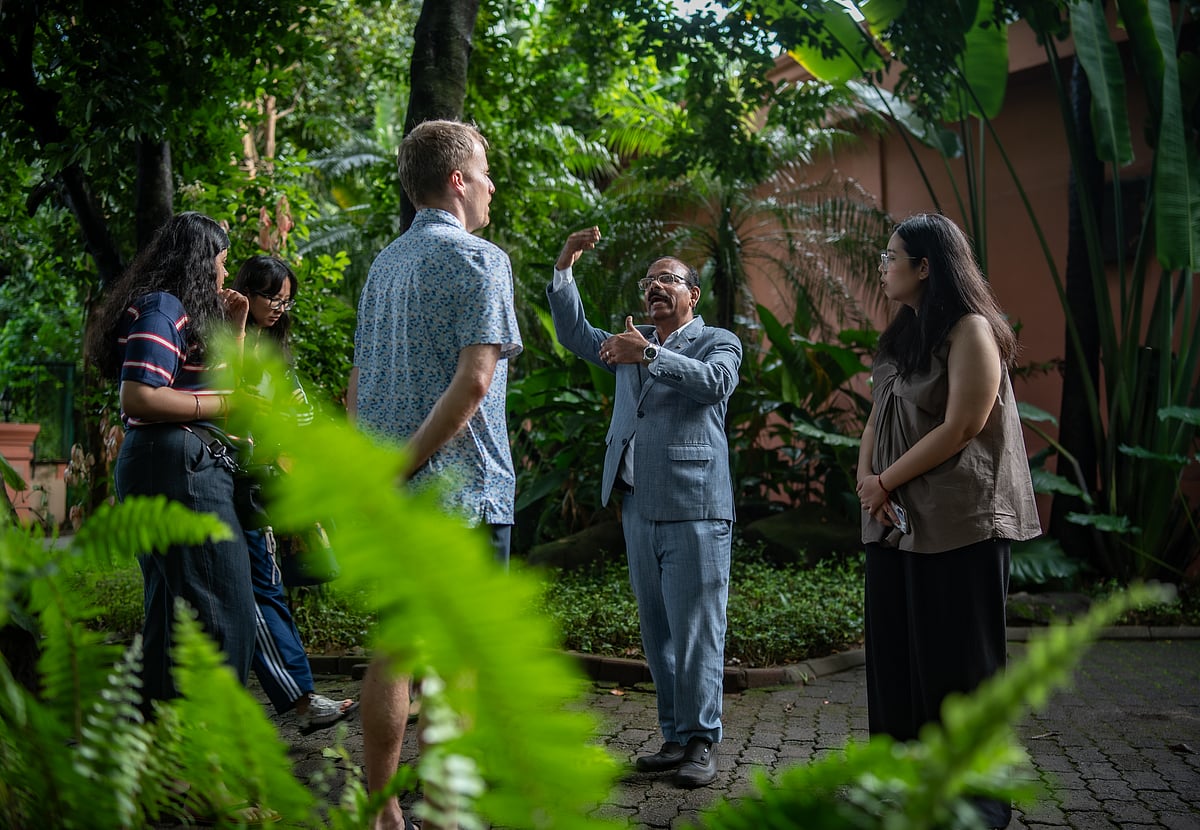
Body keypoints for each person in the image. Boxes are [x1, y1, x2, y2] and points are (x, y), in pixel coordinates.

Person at [349, 119, 521, 830]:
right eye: (483, 171)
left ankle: (382, 811)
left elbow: (358, 382)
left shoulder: (383, 265)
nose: (489, 185)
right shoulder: (481, 261)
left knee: (393, 652)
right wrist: (407, 462)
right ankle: (449, 810)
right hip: (465, 496)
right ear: (456, 180)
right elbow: (475, 382)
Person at [855, 213, 1041, 829]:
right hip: (894, 523)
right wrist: (868, 481)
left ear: (925, 266)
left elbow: (961, 426)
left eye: (891, 257)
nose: (884, 267)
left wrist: (886, 481)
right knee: (896, 662)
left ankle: (974, 802)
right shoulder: (901, 336)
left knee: (959, 664)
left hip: (958, 523)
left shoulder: (972, 330)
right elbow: (877, 417)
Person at [547, 227, 742, 789]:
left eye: (669, 279)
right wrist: (564, 270)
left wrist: (650, 353)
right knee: (657, 631)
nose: (656, 286)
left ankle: (703, 741)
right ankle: (676, 737)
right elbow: (576, 335)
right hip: (636, 507)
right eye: (650, 280)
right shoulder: (627, 343)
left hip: (695, 508)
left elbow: (715, 385)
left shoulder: (717, 340)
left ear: (692, 295)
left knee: (698, 629)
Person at [88, 211, 256, 711]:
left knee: (172, 614)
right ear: (198, 263)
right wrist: (217, 408)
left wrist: (238, 331)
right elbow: (139, 397)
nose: (225, 275)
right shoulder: (163, 309)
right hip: (176, 464)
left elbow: (228, 386)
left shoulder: (181, 313)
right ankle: (212, 765)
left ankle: (162, 764)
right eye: (221, 263)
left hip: (175, 462)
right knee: (223, 611)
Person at [230, 254, 357, 733]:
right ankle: (300, 700)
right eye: (272, 297)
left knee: (264, 587)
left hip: (270, 483)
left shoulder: (274, 350)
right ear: (247, 292)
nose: (280, 308)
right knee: (262, 588)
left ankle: (297, 699)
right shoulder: (232, 343)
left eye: (287, 300)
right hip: (242, 482)